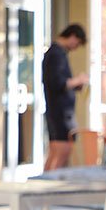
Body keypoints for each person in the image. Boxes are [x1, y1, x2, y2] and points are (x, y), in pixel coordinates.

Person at [42, 23, 90, 171]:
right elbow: (56, 83)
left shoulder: (58, 53)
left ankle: (46, 185)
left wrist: (76, 85)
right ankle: (48, 186)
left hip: (61, 111)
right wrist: (78, 80)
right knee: (61, 150)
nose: (76, 47)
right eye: (78, 43)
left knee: (60, 150)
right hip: (59, 112)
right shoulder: (56, 54)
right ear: (73, 36)